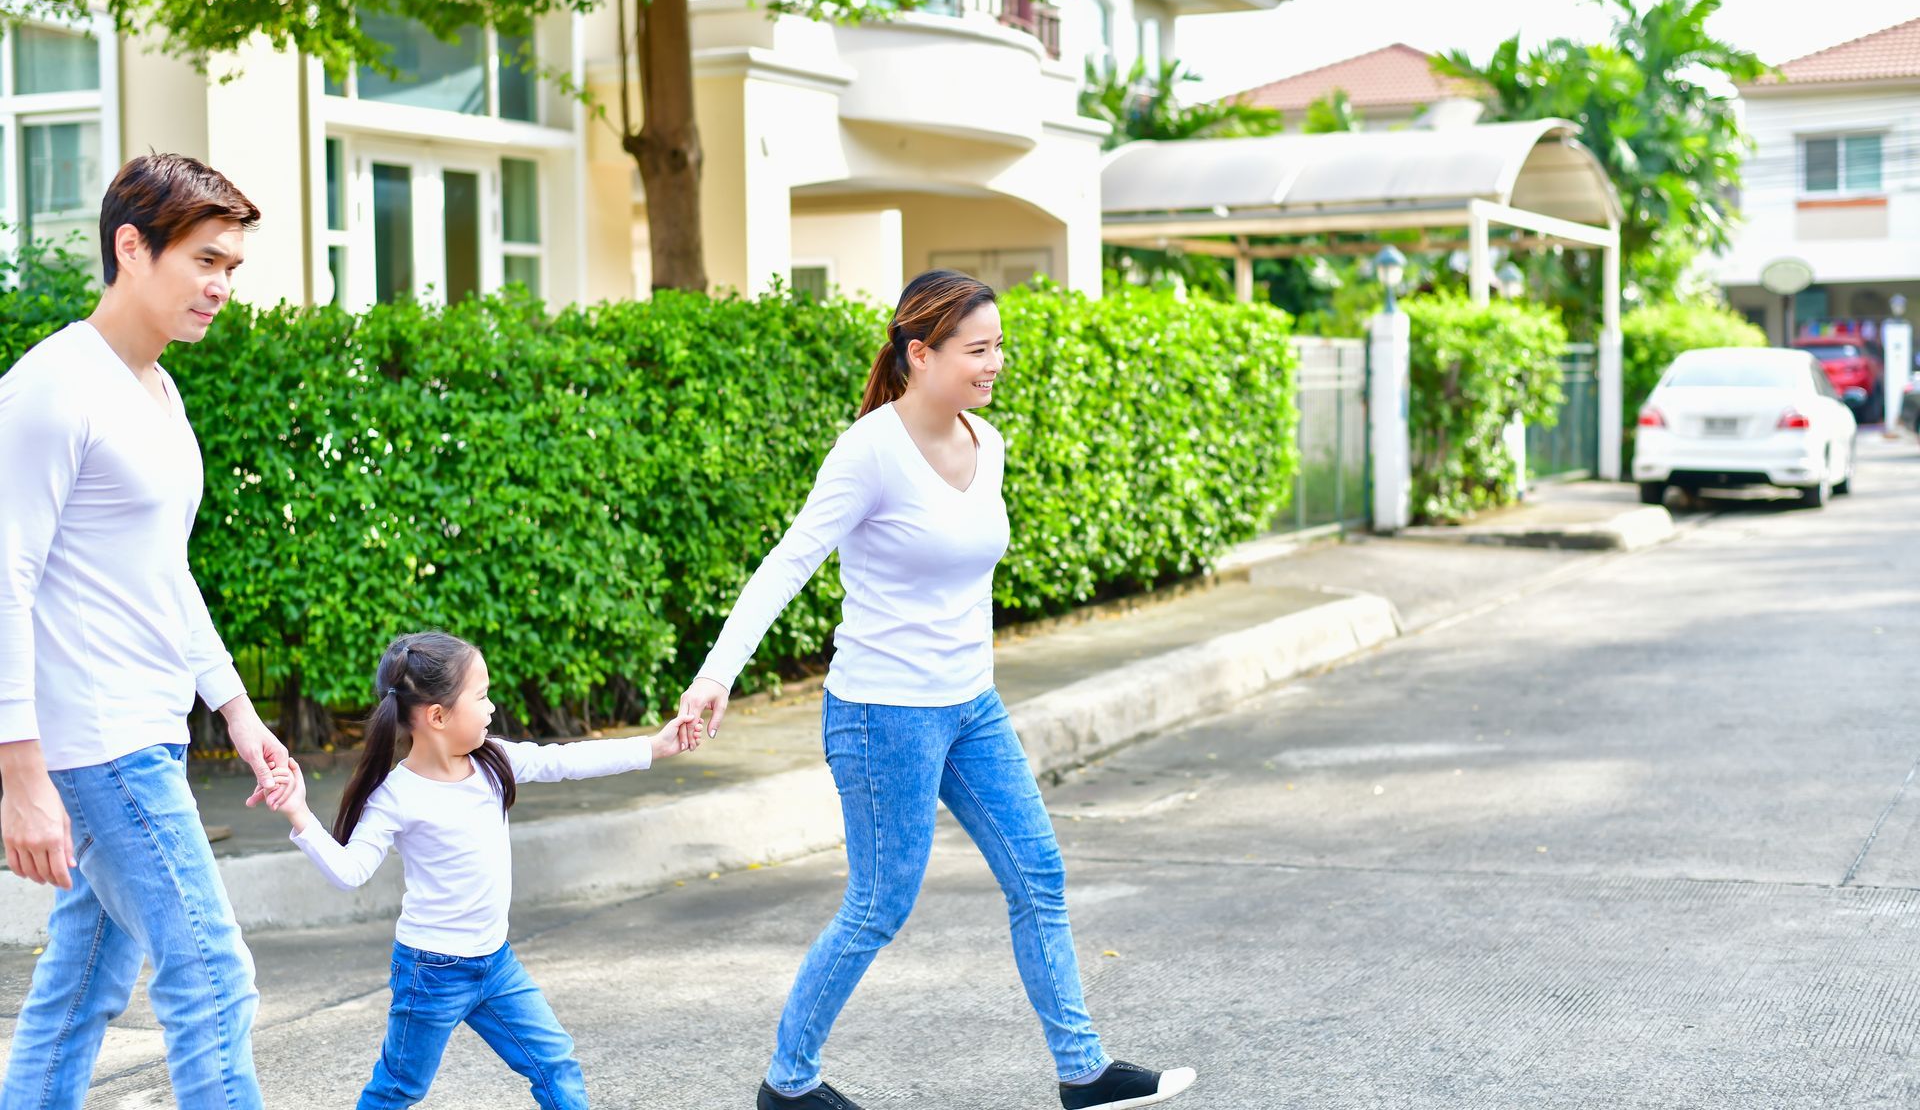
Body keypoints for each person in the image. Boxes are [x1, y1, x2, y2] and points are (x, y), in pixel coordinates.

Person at [677, 270, 1198, 1110]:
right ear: (919, 354)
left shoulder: (986, 445)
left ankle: (1083, 1072)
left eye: (999, 347)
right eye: (977, 349)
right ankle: (788, 1082)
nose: (995, 364)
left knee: (1039, 876)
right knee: (880, 904)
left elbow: (963, 579)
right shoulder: (870, 451)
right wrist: (715, 674)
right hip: (884, 714)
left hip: (971, 707)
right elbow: (790, 562)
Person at [1, 153, 287, 1109]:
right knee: (212, 975)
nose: (220, 287)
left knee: (82, 986)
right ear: (131, 247)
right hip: (101, 744)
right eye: (206, 261)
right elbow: (5, 584)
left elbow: (165, 573)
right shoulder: (51, 390)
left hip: (148, 730)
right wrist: (21, 776)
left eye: (232, 268)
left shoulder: (159, 394)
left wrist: (240, 715)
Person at [264, 630, 701, 1108]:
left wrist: (653, 747)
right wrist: (299, 814)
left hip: (495, 964)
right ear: (437, 716)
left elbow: (567, 760)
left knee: (554, 1063)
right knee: (398, 1088)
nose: (492, 707)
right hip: (431, 972)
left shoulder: (494, 761)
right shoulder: (396, 795)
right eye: (481, 695)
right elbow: (350, 871)